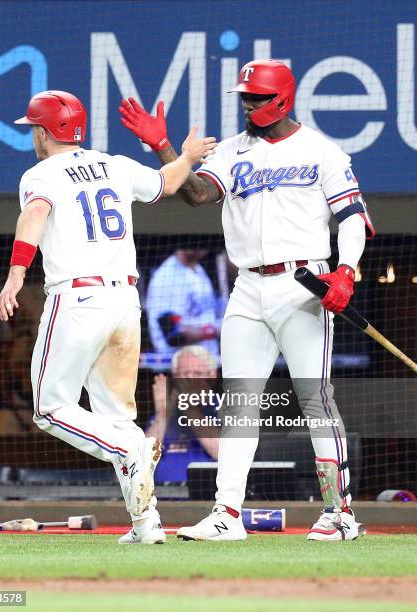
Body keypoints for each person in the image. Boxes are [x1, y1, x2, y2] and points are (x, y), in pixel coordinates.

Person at [119, 59, 375, 541]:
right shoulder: (231, 150)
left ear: (282, 99)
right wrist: (163, 148)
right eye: (245, 96)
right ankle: (227, 515)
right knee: (238, 403)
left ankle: (340, 514)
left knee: (315, 399)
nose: (249, 104)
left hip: (304, 283)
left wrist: (346, 269)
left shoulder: (321, 150)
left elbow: (354, 216)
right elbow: (195, 194)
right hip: (248, 286)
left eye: (257, 97)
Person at [0, 90, 216, 545]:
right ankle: (146, 524)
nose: (33, 135)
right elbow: (167, 184)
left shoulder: (41, 173)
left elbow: (35, 214)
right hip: (124, 303)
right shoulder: (113, 164)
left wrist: (17, 272)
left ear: (43, 131)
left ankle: (130, 450)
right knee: (116, 415)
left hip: (77, 301)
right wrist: (189, 154)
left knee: (49, 407)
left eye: (34, 128)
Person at [147, 345, 219, 483]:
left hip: (207, 498)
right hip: (162, 498)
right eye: (184, 374)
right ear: (174, 377)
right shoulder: (165, 412)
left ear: (212, 376)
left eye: (197, 374)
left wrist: (190, 408)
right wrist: (162, 414)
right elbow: (140, 460)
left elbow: (224, 454)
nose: (189, 380)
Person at [146, 249, 220, 365]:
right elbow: (172, 333)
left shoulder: (198, 270)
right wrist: (215, 331)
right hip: (179, 367)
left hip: (206, 363)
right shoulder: (167, 276)